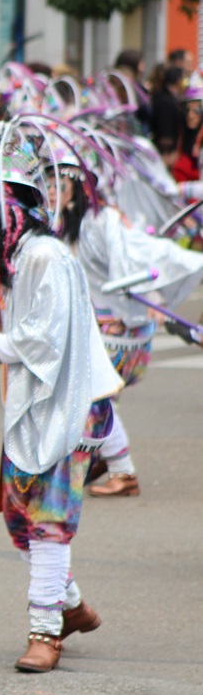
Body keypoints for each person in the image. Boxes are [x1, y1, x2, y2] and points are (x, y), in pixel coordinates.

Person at [0, 130, 122, 674]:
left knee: (46, 521)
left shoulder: (46, 257)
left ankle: (46, 631)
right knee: (20, 521)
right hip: (35, 404)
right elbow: (1, 336)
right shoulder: (9, 261)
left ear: (3, 209)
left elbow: (45, 341)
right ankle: (71, 606)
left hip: (73, 406)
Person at [38, 128, 203, 499]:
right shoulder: (61, 225)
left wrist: (143, 294)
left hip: (120, 330)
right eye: (47, 181)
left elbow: (134, 259)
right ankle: (113, 465)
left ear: (78, 186)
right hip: (98, 327)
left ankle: (113, 471)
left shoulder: (102, 220)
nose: (50, 190)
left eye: (58, 182)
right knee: (91, 399)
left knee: (91, 399)